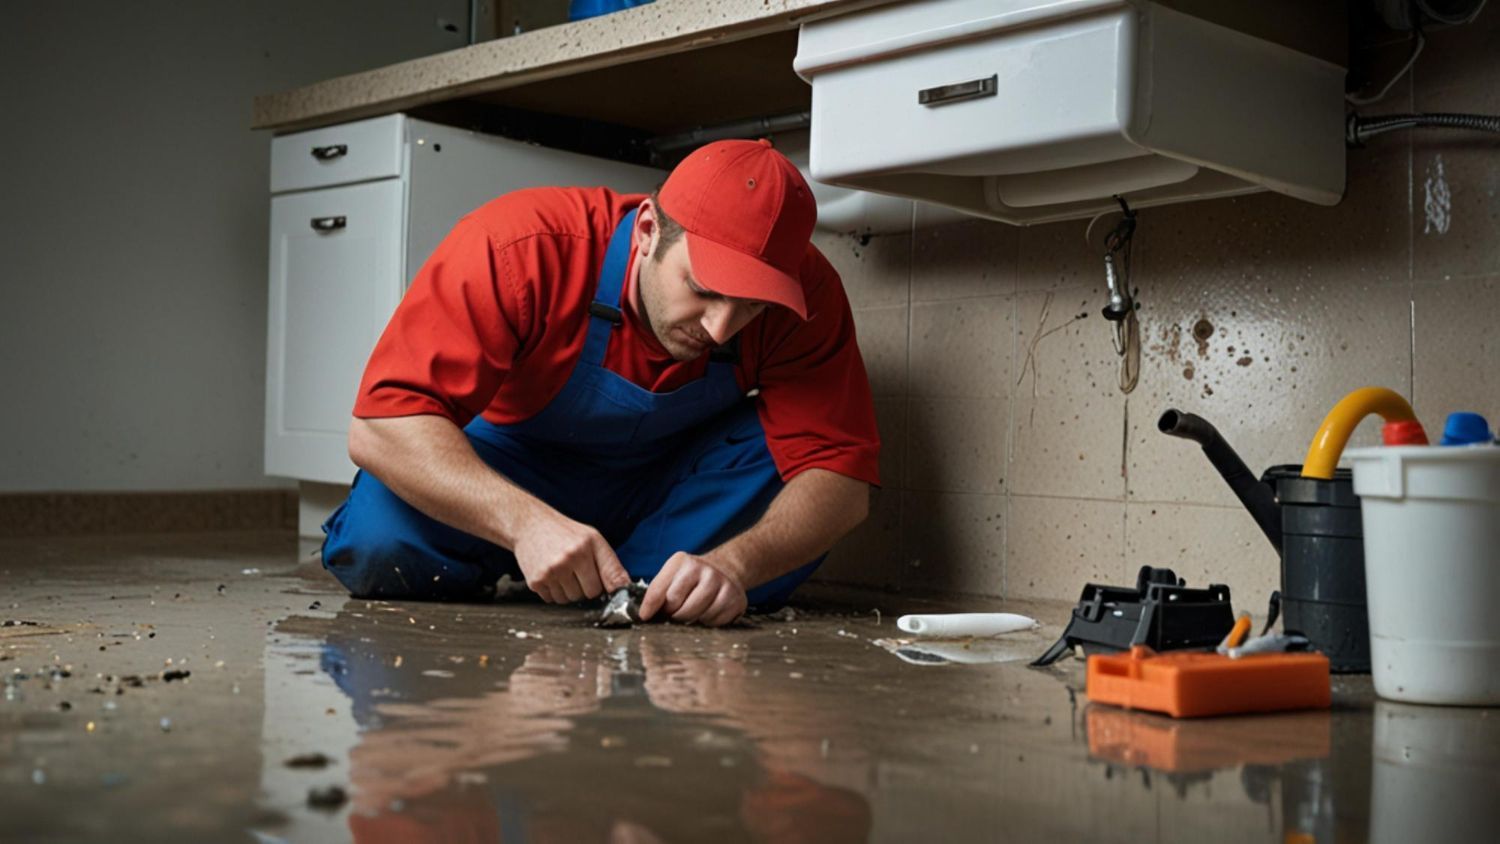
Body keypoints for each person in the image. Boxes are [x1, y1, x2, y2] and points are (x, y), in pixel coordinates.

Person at [320, 138, 879, 627]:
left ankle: (633, 578)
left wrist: (734, 565)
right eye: (704, 289)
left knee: (787, 494)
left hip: (667, 484)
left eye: (751, 307)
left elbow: (841, 480)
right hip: (508, 464)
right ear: (646, 231)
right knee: (378, 548)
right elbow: (381, 426)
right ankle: (512, 557)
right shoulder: (519, 245)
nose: (720, 327)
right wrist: (524, 524)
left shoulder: (806, 298)